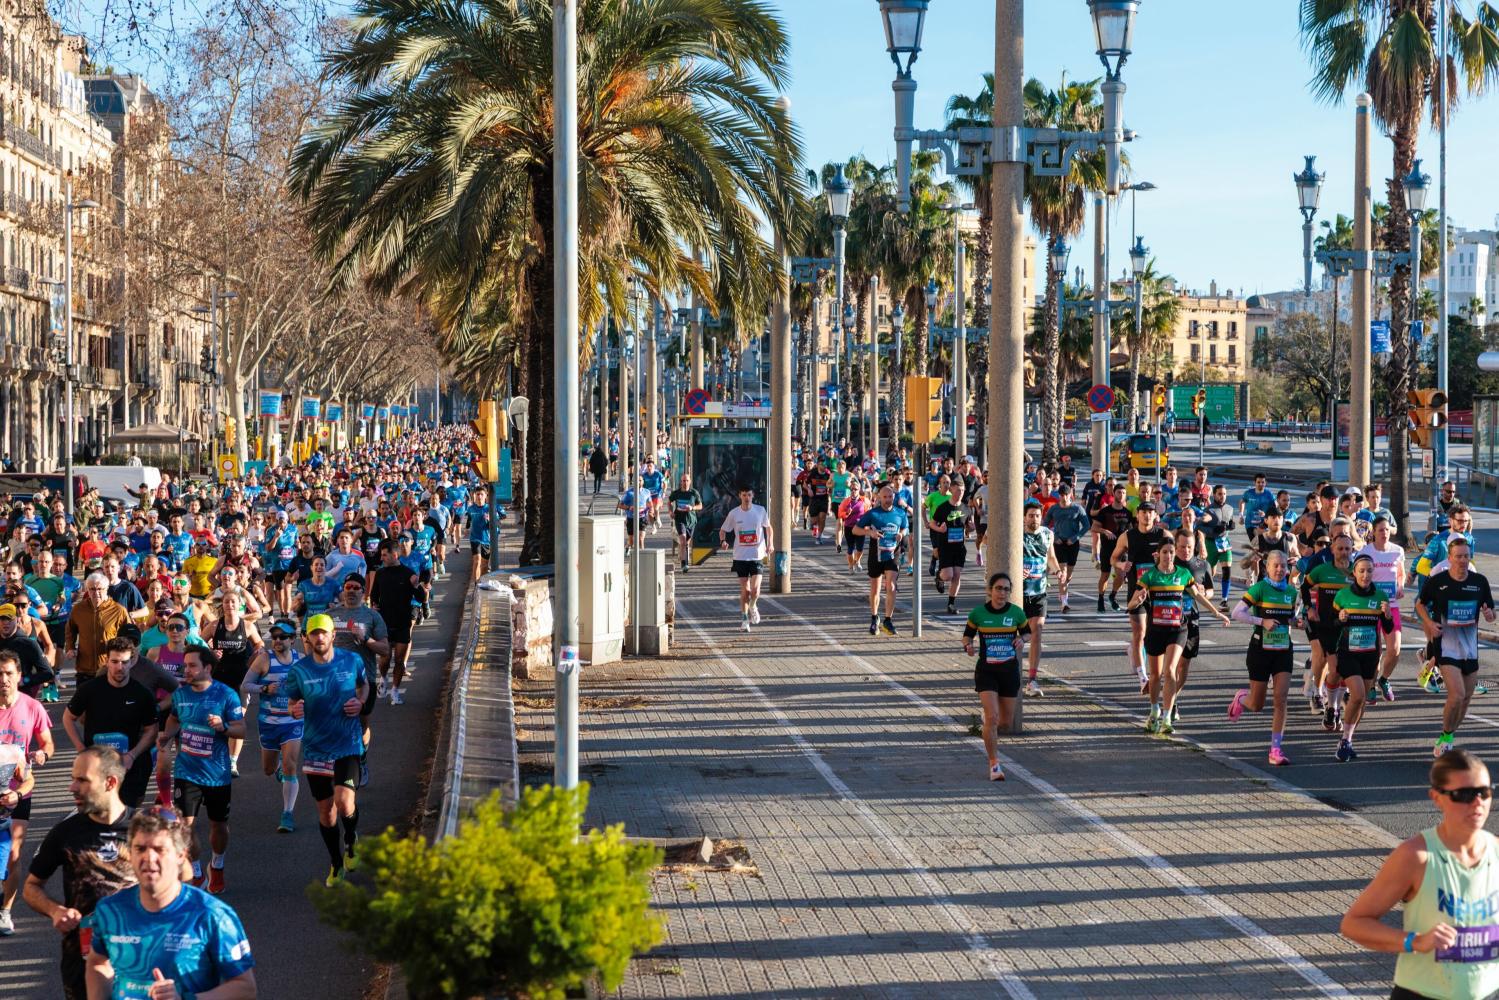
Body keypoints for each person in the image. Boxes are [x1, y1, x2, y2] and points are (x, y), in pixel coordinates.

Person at [1341, 749, 1499, 1000]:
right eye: (1464, 794)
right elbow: (1354, 923)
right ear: (1436, 798)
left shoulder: (1496, 852)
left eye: (1484, 792)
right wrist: (1415, 941)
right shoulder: (1416, 856)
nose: (1477, 802)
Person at [84, 808, 257, 998]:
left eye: (159, 849)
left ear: (180, 856)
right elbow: (97, 962)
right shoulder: (109, 910)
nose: (149, 858)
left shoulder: (212, 915)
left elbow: (245, 988)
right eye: (140, 849)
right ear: (130, 854)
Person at [23, 746, 136, 1000]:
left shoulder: (144, 830)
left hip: (139, 960)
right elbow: (31, 887)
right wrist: (55, 910)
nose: (72, 787)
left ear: (110, 782)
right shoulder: (65, 832)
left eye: (82, 780)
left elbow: (181, 881)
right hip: (82, 960)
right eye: (73, 779)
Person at [285, 613, 369, 887]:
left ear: (333, 635)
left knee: (345, 803)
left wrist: (360, 702)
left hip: (347, 743)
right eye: (314, 633)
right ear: (307, 638)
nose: (319, 637)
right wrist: (294, 709)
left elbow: (364, 685)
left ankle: (351, 839)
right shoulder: (299, 670)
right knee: (327, 812)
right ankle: (335, 863)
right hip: (316, 748)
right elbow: (292, 702)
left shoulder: (351, 660)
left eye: (324, 632)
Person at [159, 646, 245, 894]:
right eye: (185, 665)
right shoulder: (181, 694)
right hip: (187, 770)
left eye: (192, 665)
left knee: (218, 826)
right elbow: (175, 718)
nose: (186, 670)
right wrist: (167, 734)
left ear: (207, 668)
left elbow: (241, 730)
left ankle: (217, 864)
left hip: (217, 774)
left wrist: (223, 726)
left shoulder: (226, 695)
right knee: (185, 826)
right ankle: (196, 872)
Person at [1127, 537, 1228, 735]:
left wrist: (1216, 613)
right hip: (1156, 630)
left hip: (1178, 629)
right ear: (1158, 554)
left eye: (1171, 552)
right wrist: (1137, 601)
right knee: (1155, 675)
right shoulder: (1149, 576)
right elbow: (1130, 604)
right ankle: (1154, 711)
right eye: (1165, 552)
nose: (1168, 555)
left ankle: (1166, 718)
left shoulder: (1183, 574)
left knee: (1171, 671)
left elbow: (1197, 595)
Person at [1417, 537, 1496, 758]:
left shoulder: (1479, 582)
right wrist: (1430, 623)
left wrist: (1490, 615)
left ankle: (1447, 735)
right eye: (1458, 556)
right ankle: (1447, 738)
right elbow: (1420, 603)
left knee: (1467, 698)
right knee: (1457, 694)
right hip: (1447, 646)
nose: (1462, 560)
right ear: (1450, 558)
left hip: (1470, 648)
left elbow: (1490, 612)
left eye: (1466, 556)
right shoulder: (1438, 581)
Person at [62, 637, 159, 808]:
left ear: (132, 662)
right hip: (97, 764)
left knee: (126, 813)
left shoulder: (142, 694)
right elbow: (68, 718)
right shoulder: (89, 689)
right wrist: (82, 750)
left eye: (124, 662)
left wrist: (132, 755)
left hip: (130, 764)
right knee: (95, 812)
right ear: (107, 661)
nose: (119, 667)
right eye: (114, 661)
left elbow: (152, 730)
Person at [1228, 549, 1300, 765]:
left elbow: (1291, 617)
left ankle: (1275, 750)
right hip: (1260, 650)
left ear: (1288, 568)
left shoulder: (1291, 591)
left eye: (1283, 566)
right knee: (1257, 705)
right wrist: (1262, 622)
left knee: (1281, 698)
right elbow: (1237, 613)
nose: (1279, 569)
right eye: (1275, 565)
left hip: (1283, 651)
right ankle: (1242, 697)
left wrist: (1296, 622)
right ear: (1267, 567)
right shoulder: (1259, 588)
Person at [0, 648, 52, 934]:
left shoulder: (32, 706)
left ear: (19, 676)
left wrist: (43, 755)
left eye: (9, 673)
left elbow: (48, 744)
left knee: (13, 854)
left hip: (19, 789)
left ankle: (5, 912)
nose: (4, 679)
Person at [962, 573, 1028, 782]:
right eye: (998, 588)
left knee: (1005, 722)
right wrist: (968, 645)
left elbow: (1027, 632)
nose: (1002, 593)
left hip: (1009, 672)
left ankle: (988, 722)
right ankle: (994, 764)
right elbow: (967, 635)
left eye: (1006, 589)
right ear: (990, 590)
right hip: (987, 671)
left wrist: (1021, 639)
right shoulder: (978, 613)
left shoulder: (1016, 613)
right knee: (993, 717)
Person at [240, 619, 303, 833]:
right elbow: (245, 685)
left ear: (292, 640)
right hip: (268, 722)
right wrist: (265, 689)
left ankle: (287, 814)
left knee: (291, 766)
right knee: (268, 769)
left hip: (293, 722)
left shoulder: (301, 661)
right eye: (274, 637)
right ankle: (278, 771)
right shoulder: (264, 659)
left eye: (282, 637)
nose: (277, 641)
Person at [1332, 553, 1395, 762]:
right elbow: (1332, 626)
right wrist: (1340, 620)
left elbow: (1388, 628)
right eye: (1361, 571)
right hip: (1348, 653)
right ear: (1354, 573)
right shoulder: (1342, 596)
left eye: (1369, 571)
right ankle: (1344, 741)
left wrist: (1387, 617)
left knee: (1362, 702)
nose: (1366, 575)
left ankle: (1347, 739)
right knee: (1358, 695)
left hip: (1370, 655)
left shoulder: (1380, 597)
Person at [856, 483, 909, 637]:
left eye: (890, 497)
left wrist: (901, 533)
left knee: (891, 586)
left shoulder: (900, 513)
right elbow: (855, 529)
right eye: (885, 497)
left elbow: (905, 528)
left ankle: (888, 620)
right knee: (875, 589)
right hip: (876, 555)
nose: (887, 499)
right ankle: (874, 618)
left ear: (894, 497)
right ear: (879, 497)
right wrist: (869, 532)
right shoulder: (873, 514)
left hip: (893, 554)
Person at [718, 485, 773, 633]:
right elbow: (723, 530)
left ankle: (753, 606)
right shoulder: (734, 514)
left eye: (749, 495)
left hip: (756, 555)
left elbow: (768, 528)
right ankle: (744, 619)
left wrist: (770, 544)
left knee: (755, 591)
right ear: (739, 496)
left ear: (752, 496)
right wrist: (723, 542)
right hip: (740, 557)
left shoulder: (760, 511)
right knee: (746, 590)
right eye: (744, 495)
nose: (746, 498)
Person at [1019, 501, 1059, 696]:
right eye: (1030, 516)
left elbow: (1051, 557)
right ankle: (1012, 674)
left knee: (1037, 632)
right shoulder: (1017, 534)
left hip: (1039, 592)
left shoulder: (1047, 534)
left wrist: (1057, 571)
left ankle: (1032, 680)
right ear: (1024, 517)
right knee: (1018, 636)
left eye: (1037, 516)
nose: (1034, 519)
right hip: (1019, 593)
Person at [65, 573, 131, 688]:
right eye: (92, 589)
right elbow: (70, 630)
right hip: (84, 668)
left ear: (107, 589)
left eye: (100, 589)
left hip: (108, 669)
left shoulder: (119, 611)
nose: (96, 593)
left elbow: (129, 637)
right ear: (87, 589)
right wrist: (70, 648)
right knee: (83, 704)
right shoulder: (78, 609)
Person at [1043, 483, 1089, 614]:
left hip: (1073, 543)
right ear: (1059, 496)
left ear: (1071, 495)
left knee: (1069, 574)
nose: (1064, 497)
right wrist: (1055, 536)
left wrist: (1075, 538)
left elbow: (1086, 525)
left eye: (1066, 495)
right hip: (1059, 542)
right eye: (1062, 495)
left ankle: (1064, 592)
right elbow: (1045, 523)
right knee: (1062, 572)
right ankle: (1064, 603)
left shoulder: (1077, 509)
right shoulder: (1054, 509)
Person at [932, 482, 973, 618]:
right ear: (951, 490)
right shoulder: (943, 508)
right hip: (946, 546)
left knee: (956, 575)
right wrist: (940, 529)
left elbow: (969, 527)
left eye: (962, 490)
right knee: (948, 575)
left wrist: (971, 528)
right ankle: (939, 577)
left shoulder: (966, 508)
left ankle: (951, 604)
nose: (960, 493)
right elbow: (933, 524)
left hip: (960, 546)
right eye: (957, 490)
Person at [667, 474, 703, 573]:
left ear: (690, 481)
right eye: (683, 481)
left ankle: (684, 559)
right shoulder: (677, 493)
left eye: (687, 481)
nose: (685, 483)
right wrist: (670, 512)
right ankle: (684, 564)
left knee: (686, 543)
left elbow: (700, 505)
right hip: (679, 519)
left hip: (691, 520)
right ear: (681, 482)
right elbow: (669, 502)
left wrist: (692, 508)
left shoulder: (694, 493)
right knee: (682, 541)